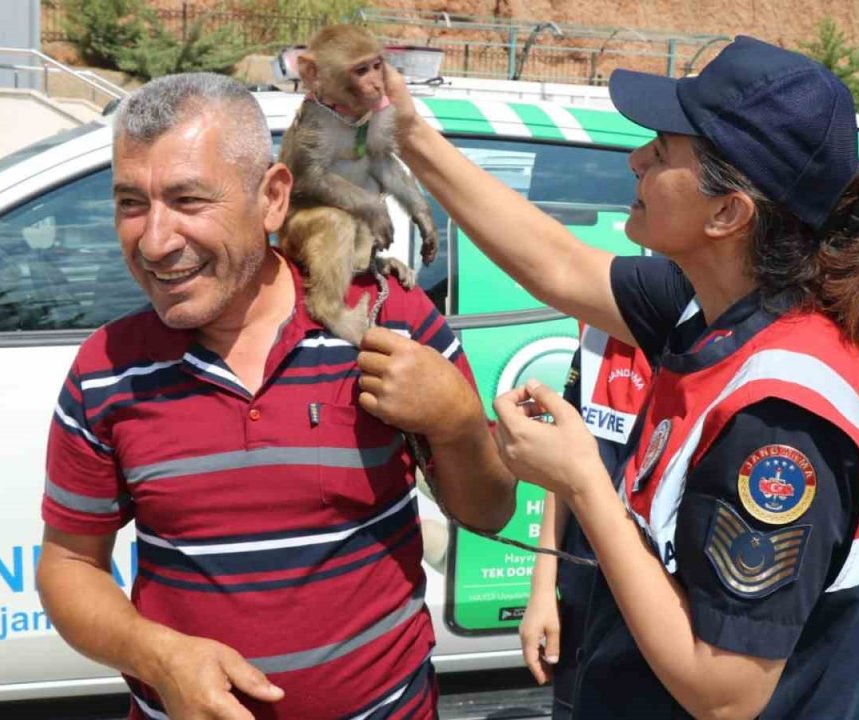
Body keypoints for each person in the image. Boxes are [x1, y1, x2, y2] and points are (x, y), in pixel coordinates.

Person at [387, 36, 859, 718]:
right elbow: (559, 266)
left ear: (729, 214)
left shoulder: (779, 417)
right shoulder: (717, 303)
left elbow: (726, 692)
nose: (636, 159)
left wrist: (583, 479)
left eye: (664, 151)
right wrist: (405, 130)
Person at [35, 73, 516, 720]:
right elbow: (68, 567)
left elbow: (489, 512)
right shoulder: (106, 371)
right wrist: (160, 657)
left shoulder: (386, 320)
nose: (154, 241)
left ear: (272, 198)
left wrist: (459, 423)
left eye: (188, 200)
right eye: (130, 203)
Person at [518, 324, 655, 717]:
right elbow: (564, 466)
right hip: (585, 601)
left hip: (665, 612)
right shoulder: (599, 335)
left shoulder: (707, 332)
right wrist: (542, 587)